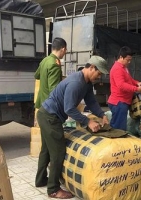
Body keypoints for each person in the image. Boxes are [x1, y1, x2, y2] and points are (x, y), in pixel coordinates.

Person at [35, 55, 109, 199]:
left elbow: (91, 101)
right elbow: (69, 109)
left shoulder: (86, 83)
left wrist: (102, 114)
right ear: (92, 68)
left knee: (46, 150)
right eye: (98, 73)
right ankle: (53, 190)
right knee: (58, 152)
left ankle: (40, 180)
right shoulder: (76, 83)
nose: (98, 77)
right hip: (50, 117)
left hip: (46, 115)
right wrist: (88, 122)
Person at [107, 46, 141, 131]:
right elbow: (121, 85)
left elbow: (129, 80)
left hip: (122, 102)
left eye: (130, 60)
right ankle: (117, 143)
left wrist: (137, 83)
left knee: (119, 127)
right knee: (118, 129)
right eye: (127, 60)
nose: (129, 62)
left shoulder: (123, 68)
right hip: (119, 102)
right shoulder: (117, 69)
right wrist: (136, 89)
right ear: (121, 57)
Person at [34, 37, 67, 109]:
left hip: (42, 103)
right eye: (65, 50)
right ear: (63, 49)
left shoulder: (45, 60)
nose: (65, 52)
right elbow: (53, 89)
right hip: (49, 106)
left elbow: (37, 75)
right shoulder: (54, 64)